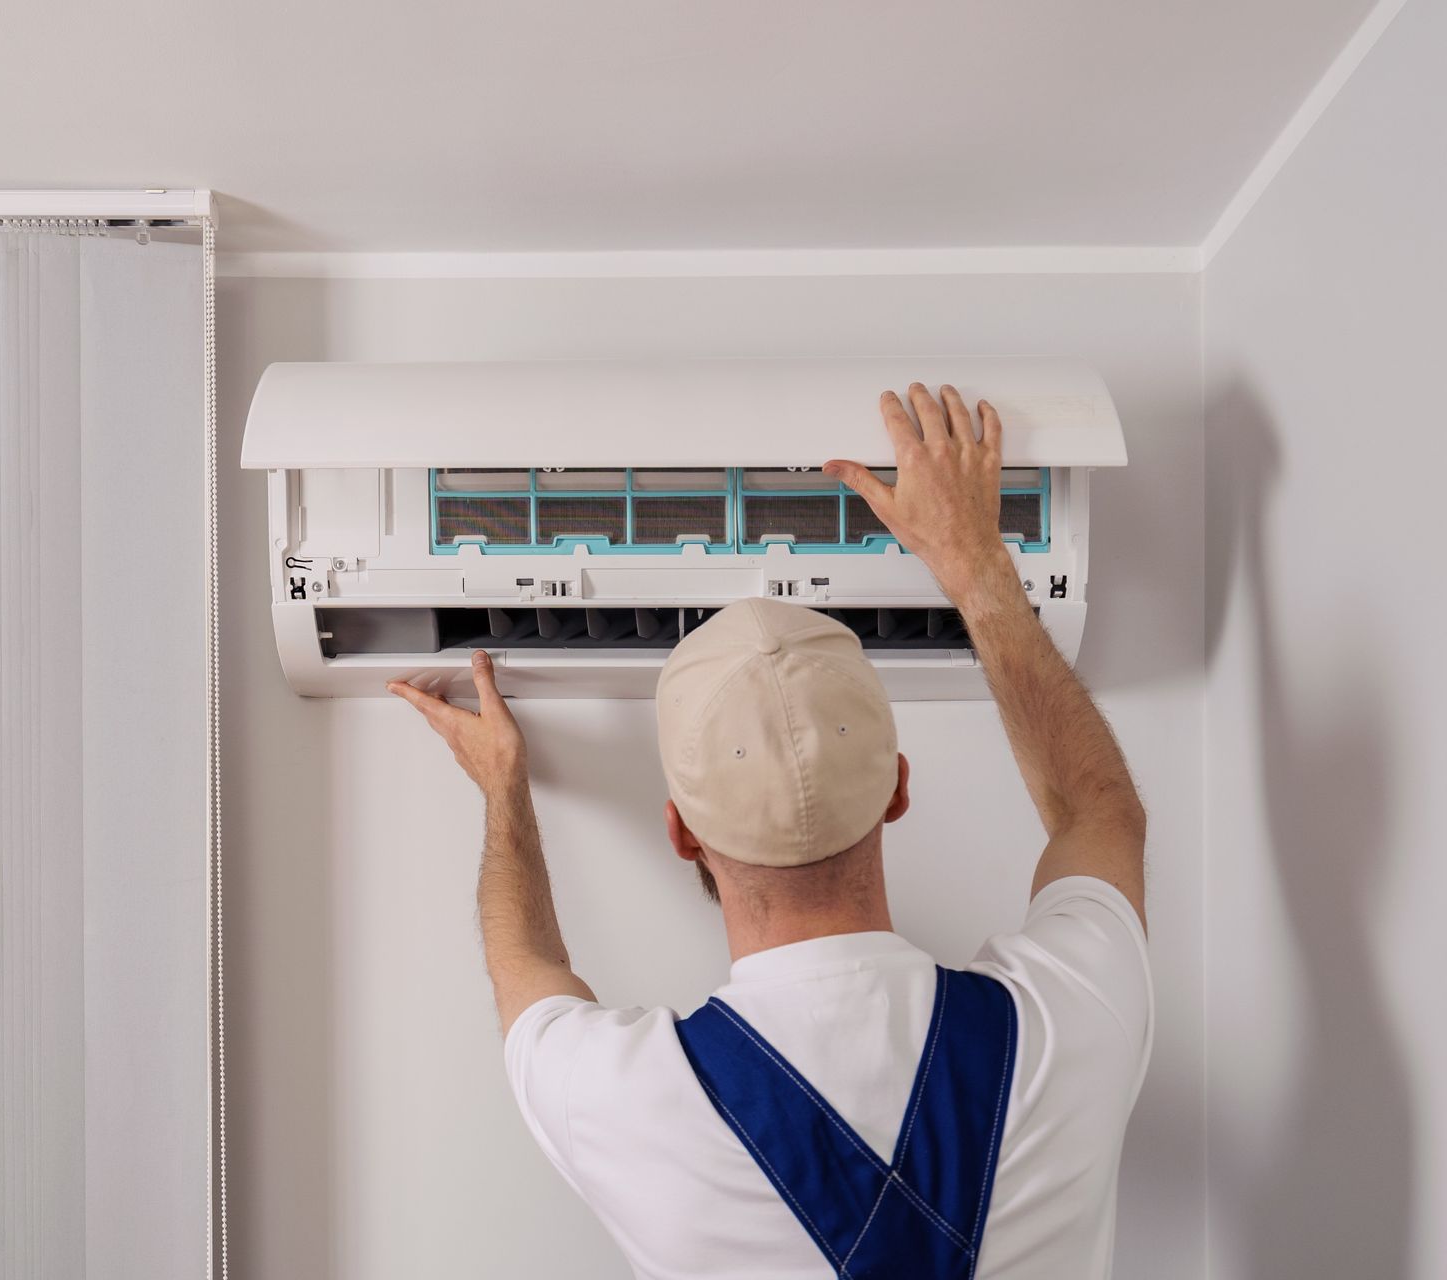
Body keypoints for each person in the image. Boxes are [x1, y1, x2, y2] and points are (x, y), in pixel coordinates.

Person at [389, 384, 1151, 1279]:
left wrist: (503, 787)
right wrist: (974, 562)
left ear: (680, 833)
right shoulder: (1068, 1019)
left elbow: (526, 968)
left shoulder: (628, 1099)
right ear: (897, 791)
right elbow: (1100, 810)